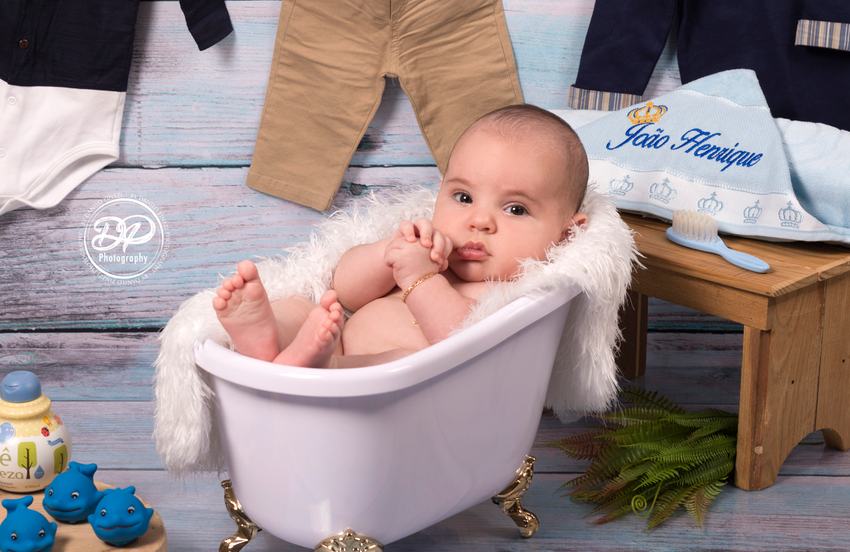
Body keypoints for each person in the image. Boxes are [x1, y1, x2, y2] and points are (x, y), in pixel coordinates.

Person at [213, 105, 590, 368]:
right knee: (302, 307)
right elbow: (346, 290)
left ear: (567, 234)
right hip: (336, 343)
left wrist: (421, 279)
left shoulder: (514, 294)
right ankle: (269, 338)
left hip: (391, 386)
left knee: (403, 361)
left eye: (515, 209)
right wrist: (389, 254)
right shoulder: (427, 250)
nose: (479, 221)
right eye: (463, 198)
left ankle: (317, 368)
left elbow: (464, 343)